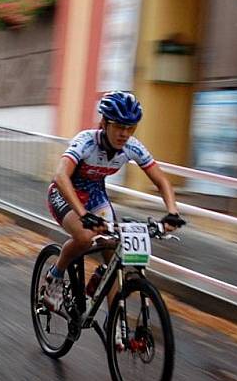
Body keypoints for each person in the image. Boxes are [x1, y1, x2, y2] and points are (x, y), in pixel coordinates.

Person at [43, 90, 186, 312]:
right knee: (84, 236)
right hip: (65, 193)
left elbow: (161, 181)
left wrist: (172, 212)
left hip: (95, 196)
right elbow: (60, 176)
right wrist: (83, 215)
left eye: (131, 128)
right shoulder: (85, 141)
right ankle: (56, 274)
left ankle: (115, 325)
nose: (124, 134)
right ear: (104, 123)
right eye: (119, 126)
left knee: (113, 257)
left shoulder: (132, 147)